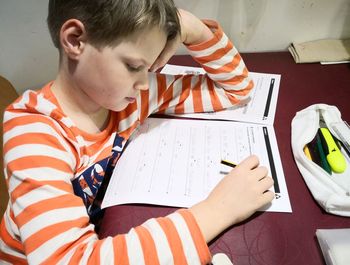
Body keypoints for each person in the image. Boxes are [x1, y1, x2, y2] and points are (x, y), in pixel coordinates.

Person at [0, 0, 274, 264]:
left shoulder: (133, 98)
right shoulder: (33, 130)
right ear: (75, 40)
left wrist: (192, 28)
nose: (145, 83)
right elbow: (71, 259)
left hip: (103, 228)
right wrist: (218, 210)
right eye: (133, 66)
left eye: (152, 66)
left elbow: (236, 88)